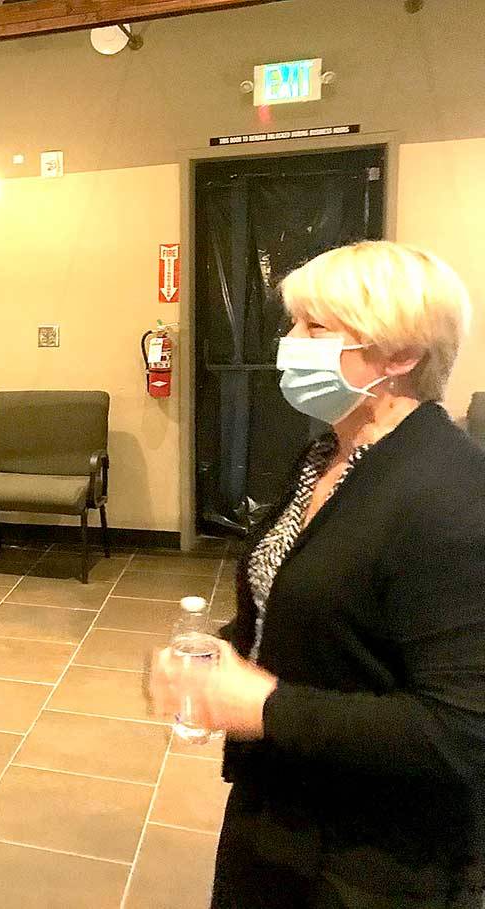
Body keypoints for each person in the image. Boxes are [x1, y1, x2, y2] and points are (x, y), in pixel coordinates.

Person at [150, 241, 485, 908]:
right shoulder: (324, 456)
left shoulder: (451, 493)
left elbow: (460, 729)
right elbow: (307, 605)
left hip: (376, 860)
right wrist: (223, 656)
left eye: (316, 328)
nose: (289, 344)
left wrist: (264, 706)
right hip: (278, 819)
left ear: (400, 355)